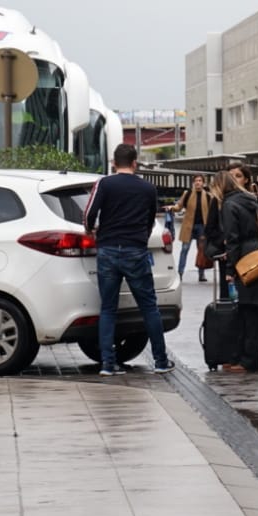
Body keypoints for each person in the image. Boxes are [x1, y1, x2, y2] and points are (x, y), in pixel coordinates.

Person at [82, 144, 174, 377]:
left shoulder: (104, 183)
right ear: (135, 163)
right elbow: (151, 219)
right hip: (136, 251)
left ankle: (107, 364)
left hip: (109, 251)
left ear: (114, 162)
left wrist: (91, 231)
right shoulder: (147, 188)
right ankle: (161, 361)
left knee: (109, 308)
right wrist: (140, 238)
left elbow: (89, 213)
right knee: (149, 307)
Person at [211, 168, 258, 373]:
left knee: (248, 311)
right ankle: (245, 358)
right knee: (252, 310)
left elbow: (232, 238)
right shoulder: (251, 200)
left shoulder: (229, 204)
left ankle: (249, 361)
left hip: (245, 258)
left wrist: (229, 268)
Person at [172, 174, 213, 281]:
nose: (198, 182)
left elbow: (213, 211)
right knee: (184, 249)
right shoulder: (188, 193)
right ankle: (180, 273)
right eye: (196, 181)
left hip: (202, 227)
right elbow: (179, 206)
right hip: (189, 226)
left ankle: (201, 274)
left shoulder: (208, 196)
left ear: (203, 183)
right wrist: (172, 208)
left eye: (200, 180)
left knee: (202, 250)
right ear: (193, 182)